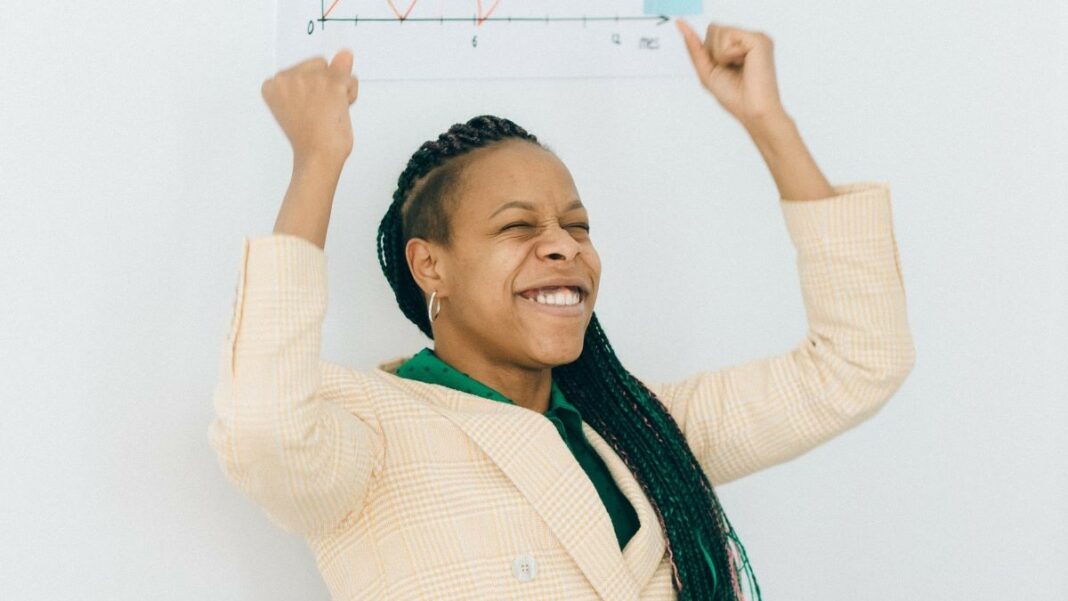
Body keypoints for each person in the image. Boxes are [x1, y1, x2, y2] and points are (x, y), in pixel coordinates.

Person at [208, 18, 915, 601]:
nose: (563, 247)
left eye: (576, 226)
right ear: (432, 265)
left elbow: (858, 362)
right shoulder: (370, 431)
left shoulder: (640, 431)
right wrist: (317, 160)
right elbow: (264, 429)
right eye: (519, 226)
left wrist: (768, 121)